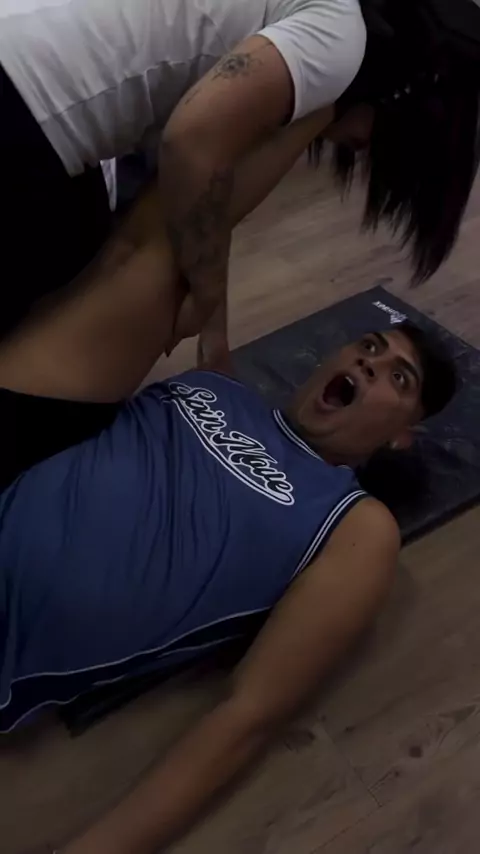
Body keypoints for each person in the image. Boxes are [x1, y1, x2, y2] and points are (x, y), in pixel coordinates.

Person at [0, 188, 456, 854]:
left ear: (402, 436)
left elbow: (247, 717)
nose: (368, 361)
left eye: (398, 377)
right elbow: (197, 228)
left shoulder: (354, 525)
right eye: (368, 344)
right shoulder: (219, 385)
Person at [0, 0, 479, 357]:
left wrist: (214, 331)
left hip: (21, 43)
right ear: (401, 101)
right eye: (372, 145)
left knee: (83, 235)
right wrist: (205, 294)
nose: (358, 147)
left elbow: (210, 183)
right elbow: (191, 144)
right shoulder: (339, 40)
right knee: (59, 266)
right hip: (23, 99)